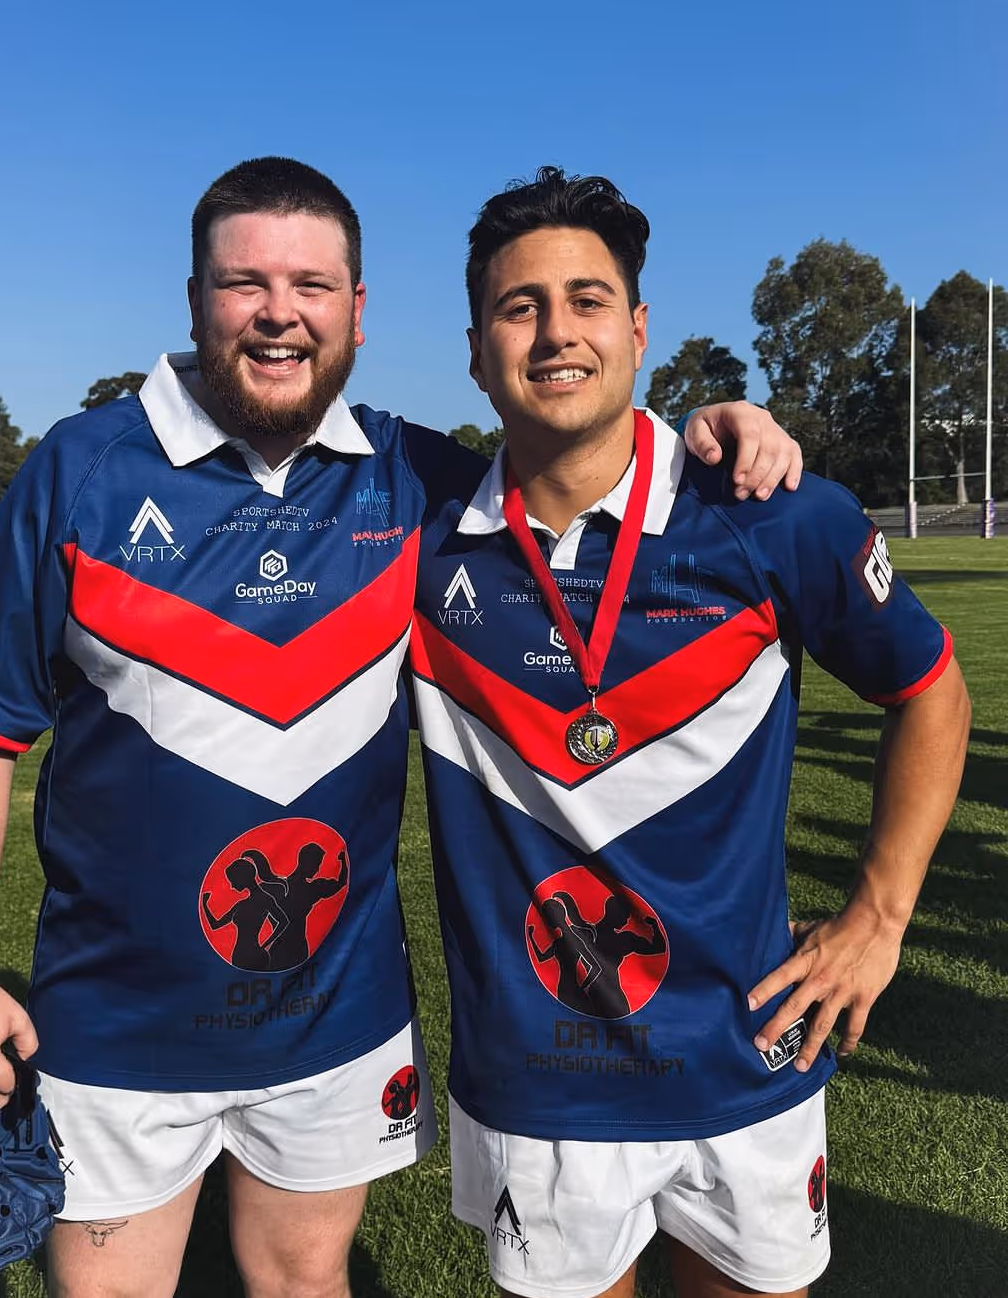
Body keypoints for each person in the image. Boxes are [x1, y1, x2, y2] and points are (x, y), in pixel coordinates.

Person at [0, 157, 804, 1298]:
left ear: (358, 312)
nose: (280, 313)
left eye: (312, 285)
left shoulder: (412, 475)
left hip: (336, 1017)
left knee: (304, 1282)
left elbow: (572, 448)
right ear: (196, 298)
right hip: (114, 1021)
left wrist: (714, 427)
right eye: (246, 283)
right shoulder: (81, 472)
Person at [408, 166, 971, 1298]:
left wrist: (880, 915)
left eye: (588, 299)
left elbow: (931, 689)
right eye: (521, 307)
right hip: (541, 1077)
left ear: (640, 328)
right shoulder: (415, 529)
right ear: (474, 349)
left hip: (748, 1053)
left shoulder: (772, 512)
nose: (556, 331)